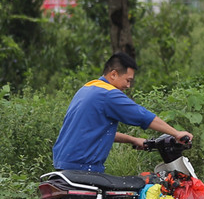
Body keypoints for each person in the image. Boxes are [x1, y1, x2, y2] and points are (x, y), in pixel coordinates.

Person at [52, 52, 193, 173]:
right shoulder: (108, 94)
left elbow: (95, 131)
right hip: (83, 167)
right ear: (113, 74)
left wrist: (132, 140)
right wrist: (176, 133)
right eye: (128, 80)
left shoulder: (87, 89)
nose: (128, 85)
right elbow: (143, 116)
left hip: (64, 164)